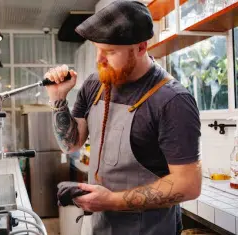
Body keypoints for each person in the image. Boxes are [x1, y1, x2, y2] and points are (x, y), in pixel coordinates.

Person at [44, 1, 202, 234]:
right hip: (99, 225)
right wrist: (58, 100)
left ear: (141, 47)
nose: (99, 60)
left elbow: (189, 185)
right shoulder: (95, 84)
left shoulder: (172, 100)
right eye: (98, 49)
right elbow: (70, 144)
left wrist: (112, 201)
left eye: (110, 52)